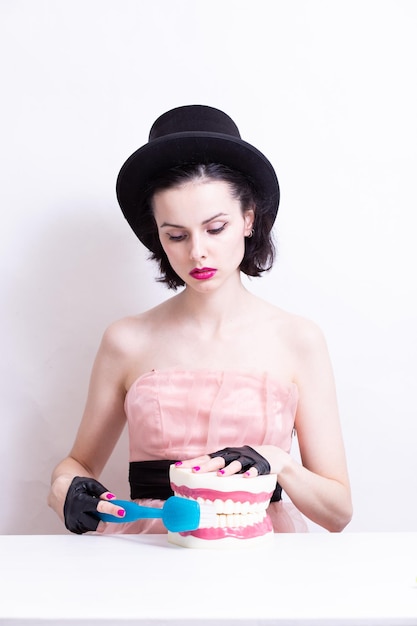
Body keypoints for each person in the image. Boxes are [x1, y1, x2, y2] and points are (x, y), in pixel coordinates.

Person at [48, 105, 352, 535]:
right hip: (150, 557)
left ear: (248, 219)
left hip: (260, 561)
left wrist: (277, 461)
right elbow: (78, 463)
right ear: (158, 235)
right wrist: (66, 488)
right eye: (176, 235)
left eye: (215, 228)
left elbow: (338, 512)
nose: (197, 253)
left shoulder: (297, 338)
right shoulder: (126, 340)